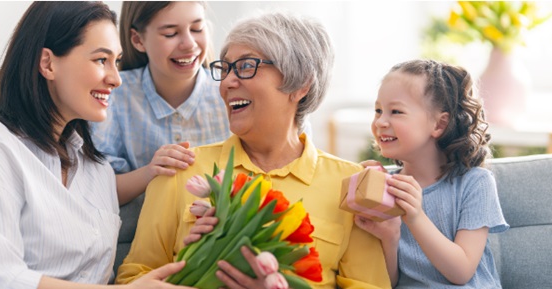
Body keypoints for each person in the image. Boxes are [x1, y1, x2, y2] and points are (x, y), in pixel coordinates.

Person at [0, 2, 193, 289]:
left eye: (117, 62)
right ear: (48, 63)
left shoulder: (95, 168)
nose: (115, 79)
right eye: (101, 60)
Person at [116, 12, 391, 289]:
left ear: (300, 84)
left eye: (246, 66)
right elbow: (134, 278)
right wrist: (196, 263)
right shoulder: (180, 169)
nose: (226, 83)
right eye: (225, 68)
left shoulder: (350, 184)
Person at [355, 59, 509, 288]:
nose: (380, 122)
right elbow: (390, 282)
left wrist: (415, 217)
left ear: (439, 124)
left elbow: (462, 271)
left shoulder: (475, 183)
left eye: (396, 111)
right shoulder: (386, 186)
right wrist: (389, 237)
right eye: (378, 110)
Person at [91, 1, 230, 208]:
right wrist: (150, 172)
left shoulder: (228, 92)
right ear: (138, 40)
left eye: (197, 29)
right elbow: (95, 190)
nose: (189, 44)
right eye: (171, 34)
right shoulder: (113, 95)